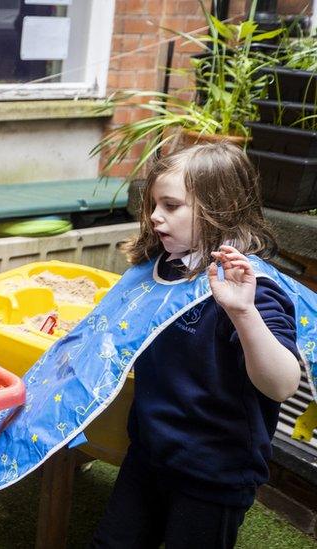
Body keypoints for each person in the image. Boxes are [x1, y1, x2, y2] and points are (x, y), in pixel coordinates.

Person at [89, 142, 302, 548]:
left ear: (219, 208)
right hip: (149, 455)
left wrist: (243, 313)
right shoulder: (162, 269)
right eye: (153, 204)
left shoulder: (252, 290)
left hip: (213, 475)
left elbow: (282, 385)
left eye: (171, 206)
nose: (154, 216)